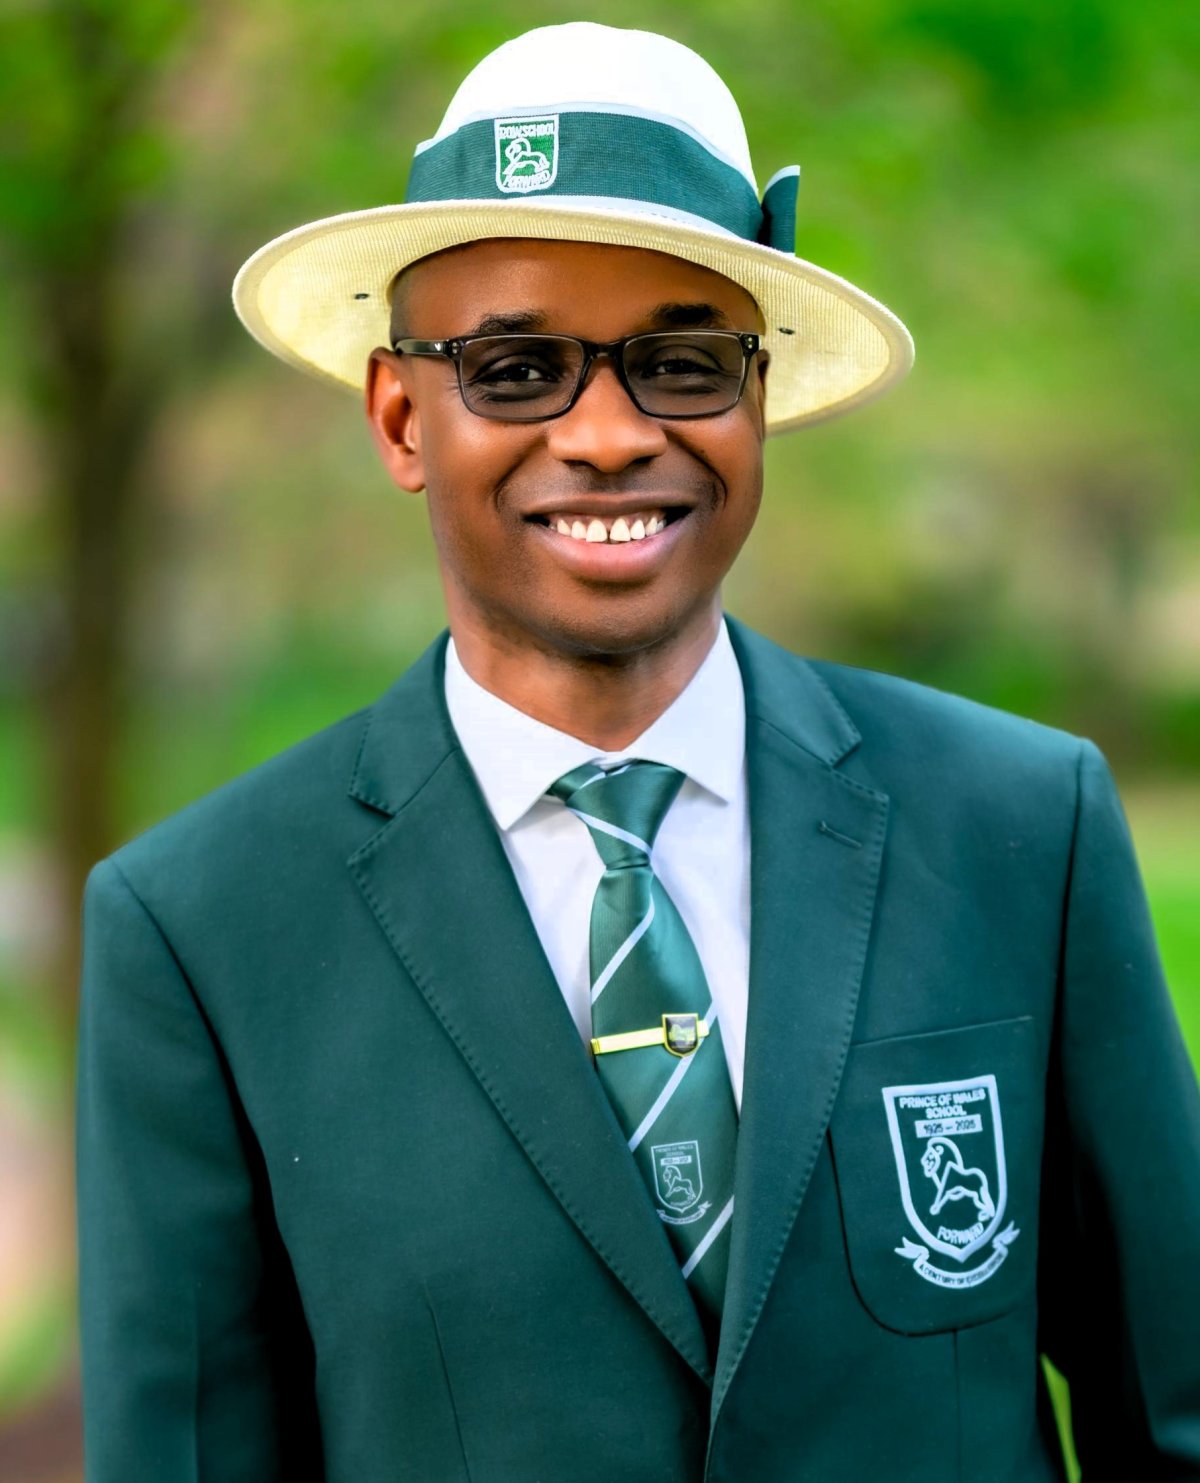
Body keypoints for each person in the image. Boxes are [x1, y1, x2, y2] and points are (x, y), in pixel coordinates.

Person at [74, 21, 1200, 1483]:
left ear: (756, 403)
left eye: (679, 362)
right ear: (401, 418)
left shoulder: (1022, 828)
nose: (608, 435)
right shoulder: (203, 929)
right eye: (516, 368)